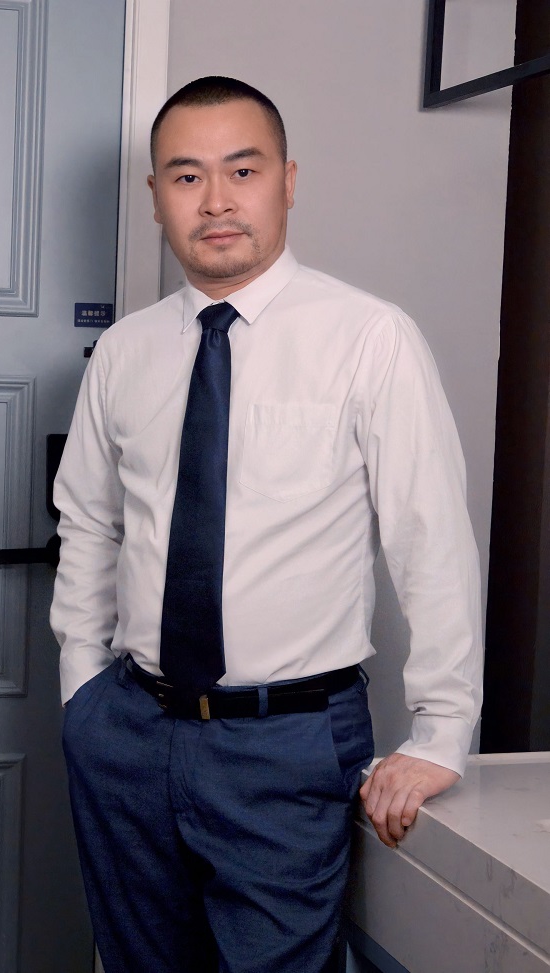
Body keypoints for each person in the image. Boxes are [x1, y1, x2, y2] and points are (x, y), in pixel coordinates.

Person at [51, 76, 483, 973]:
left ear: (287, 181)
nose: (215, 201)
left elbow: (431, 539)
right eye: (187, 176)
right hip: (127, 731)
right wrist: (82, 693)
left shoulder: (369, 338)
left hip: (287, 744)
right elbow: (89, 524)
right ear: (157, 197)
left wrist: (443, 731)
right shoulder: (125, 352)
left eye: (242, 170)